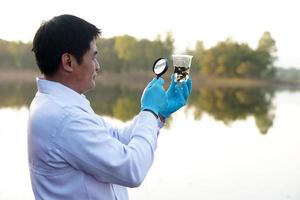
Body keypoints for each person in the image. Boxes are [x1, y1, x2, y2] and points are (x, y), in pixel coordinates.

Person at [28, 14, 192, 200]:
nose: (97, 66)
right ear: (68, 62)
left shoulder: (60, 105)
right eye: (93, 57)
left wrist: (158, 114)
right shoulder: (63, 117)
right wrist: (149, 110)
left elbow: (116, 139)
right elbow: (132, 169)